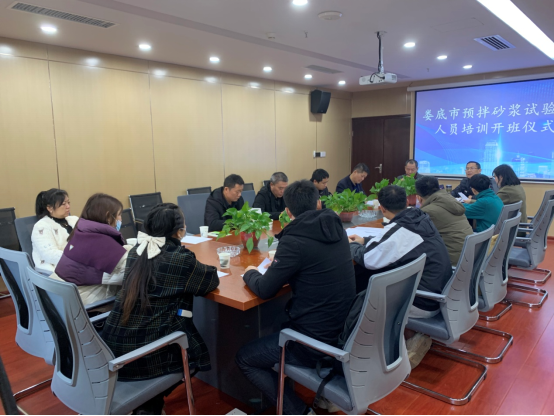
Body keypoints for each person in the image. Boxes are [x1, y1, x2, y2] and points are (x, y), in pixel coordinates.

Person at [236, 180, 356, 416]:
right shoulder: (336, 228)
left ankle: (299, 411)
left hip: (313, 342)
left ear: (287, 212)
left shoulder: (294, 240)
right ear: (318, 203)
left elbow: (265, 289)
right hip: (344, 331)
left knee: (245, 358)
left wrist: (249, 272)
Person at [102, 203, 220, 415]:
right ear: (179, 231)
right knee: (193, 354)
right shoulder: (180, 259)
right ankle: (149, 405)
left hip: (113, 349)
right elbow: (210, 280)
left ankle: (148, 405)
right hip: (145, 357)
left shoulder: (135, 252)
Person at [349, 185, 452, 369]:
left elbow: (368, 259)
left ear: (382, 208)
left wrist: (351, 245)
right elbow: (395, 241)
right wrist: (366, 241)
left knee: (365, 281)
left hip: (423, 302)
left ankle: (375, 344)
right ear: (406, 201)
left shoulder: (403, 230)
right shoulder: (419, 218)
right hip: (440, 293)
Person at [51, 194, 132, 306]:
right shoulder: (101, 243)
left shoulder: (81, 231)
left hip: (59, 298)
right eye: (119, 214)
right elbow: (127, 275)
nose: (121, 219)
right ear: (108, 216)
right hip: (84, 304)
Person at [416, 176, 473, 266]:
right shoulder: (451, 201)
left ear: (418, 197)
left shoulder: (427, 212)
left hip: (453, 262)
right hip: (470, 256)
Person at [32, 189, 79, 274]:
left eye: (68, 203)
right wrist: (79, 257)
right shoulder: (42, 226)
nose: (68, 206)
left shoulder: (74, 220)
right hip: (54, 269)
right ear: (50, 208)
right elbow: (50, 255)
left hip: (77, 263)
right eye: (63, 204)